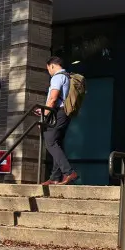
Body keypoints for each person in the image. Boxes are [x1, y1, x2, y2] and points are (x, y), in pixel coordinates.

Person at [39, 57, 78, 185]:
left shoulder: (57, 77)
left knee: (50, 142)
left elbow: (53, 98)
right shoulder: (67, 76)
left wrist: (44, 116)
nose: (48, 72)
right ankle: (55, 176)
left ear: (52, 66)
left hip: (58, 114)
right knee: (57, 143)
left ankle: (69, 172)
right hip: (64, 113)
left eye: (48, 69)